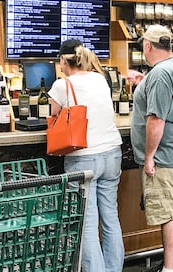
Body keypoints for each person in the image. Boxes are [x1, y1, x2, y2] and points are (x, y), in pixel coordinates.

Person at [49, 39, 124, 272]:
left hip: (83, 157)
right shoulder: (101, 79)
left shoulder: (62, 85)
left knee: (88, 223)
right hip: (112, 153)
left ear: (63, 60)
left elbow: (52, 120)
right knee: (110, 218)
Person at [127, 25, 173, 272]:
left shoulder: (160, 74)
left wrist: (149, 158)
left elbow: (156, 119)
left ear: (147, 46)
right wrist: (144, 83)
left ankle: (168, 269)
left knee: (167, 215)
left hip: (164, 157)